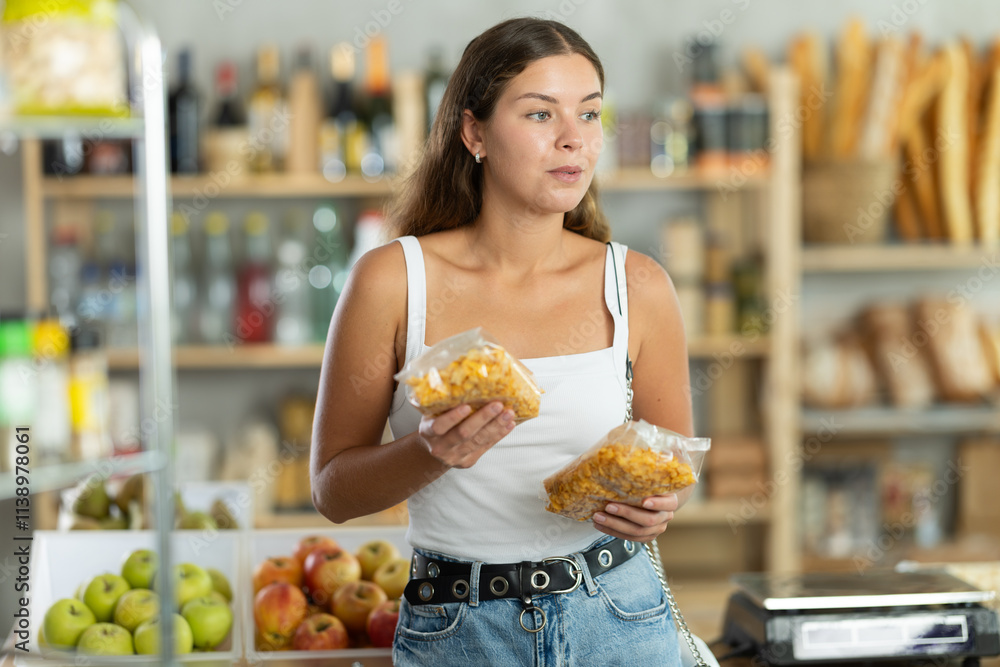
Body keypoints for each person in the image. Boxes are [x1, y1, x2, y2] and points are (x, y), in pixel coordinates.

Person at [311, 16, 693, 666]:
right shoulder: (393, 281)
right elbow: (331, 489)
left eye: (591, 114)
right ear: (474, 132)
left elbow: (677, 459)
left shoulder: (637, 284)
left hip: (621, 616)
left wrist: (658, 503)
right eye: (541, 115)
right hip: (459, 627)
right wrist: (431, 451)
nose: (575, 138)